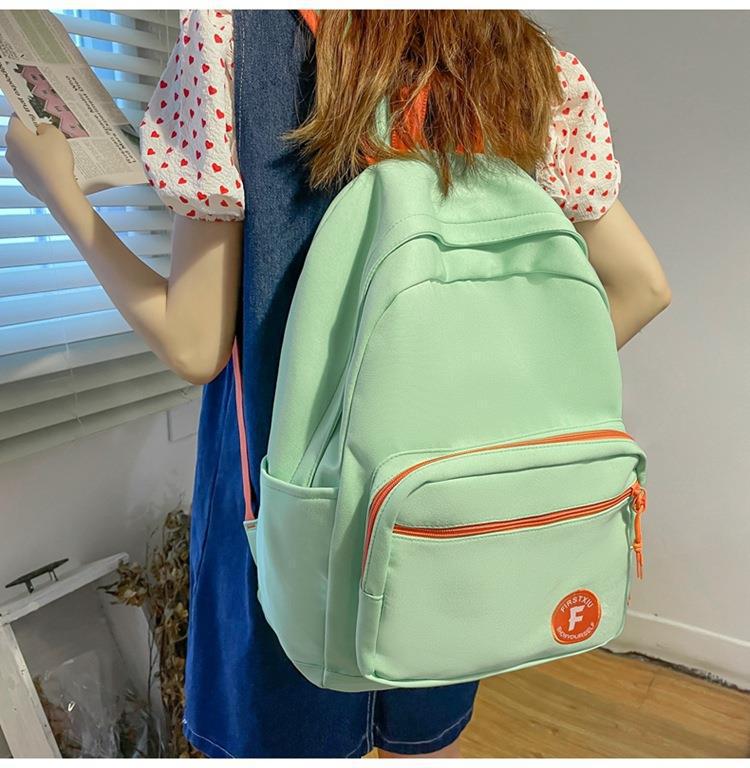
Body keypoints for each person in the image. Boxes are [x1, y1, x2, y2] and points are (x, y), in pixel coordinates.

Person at [5, 10, 671, 759]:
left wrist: (61, 195)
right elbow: (642, 287)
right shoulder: (531, 67)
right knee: (419, 696)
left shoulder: (233, 41)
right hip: (447, 515)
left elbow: (194, 345)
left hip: (291, 518)